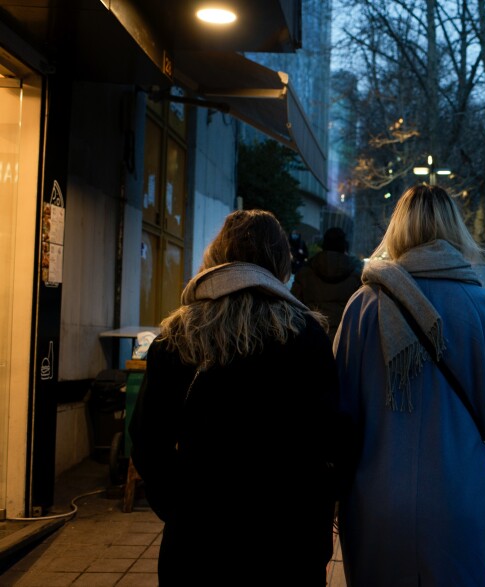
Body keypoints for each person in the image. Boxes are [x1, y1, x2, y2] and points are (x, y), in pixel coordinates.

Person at [333, 183, 485, 586]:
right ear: (455, 230)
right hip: (459, 499)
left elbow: (339, 408)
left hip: (374, 501)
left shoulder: (363, 305)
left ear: (398, 231)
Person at [129, 209, 347, 586]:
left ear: (216, 257)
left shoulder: (177, 336)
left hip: (198, 543)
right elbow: (330, 441)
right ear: (281, 263)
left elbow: (148, 441)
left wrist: (180, 507)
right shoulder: (306, 335)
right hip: (286, 544)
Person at [292, 227, 364, 338]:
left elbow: (293, 307)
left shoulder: (305, 273)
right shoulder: (357, 275)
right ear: (344, 245)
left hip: (312, 339)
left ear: (324, 244)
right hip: (345, 340)